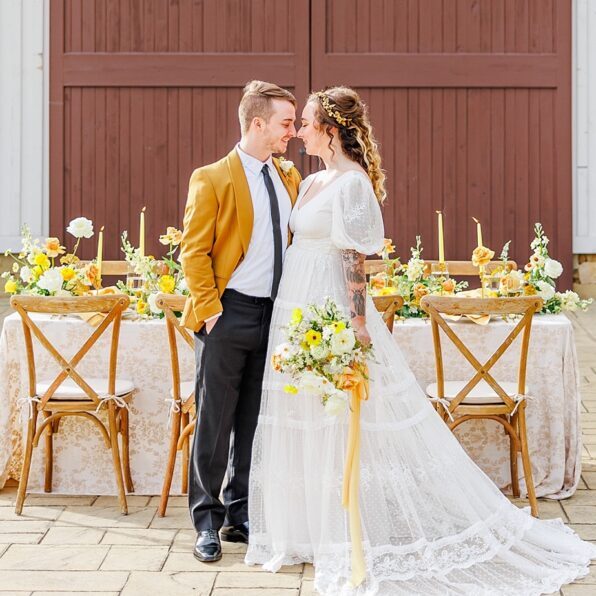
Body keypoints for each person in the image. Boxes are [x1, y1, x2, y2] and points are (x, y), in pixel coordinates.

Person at [245, 86, 596, 595]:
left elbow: (354, 259)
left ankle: (349, 527)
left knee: (344, 413)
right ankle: (309, 529)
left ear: (331, 129)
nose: (298, 129)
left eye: (307, 121)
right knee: (304, 412)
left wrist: (358, 321)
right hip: (296, 303)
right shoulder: (309, 181)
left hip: (333, 307)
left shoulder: (352, 183)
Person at [179, 80, 301, 563]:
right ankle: (205, 523)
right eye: (286, 123)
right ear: (258, 123)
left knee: (253, 422)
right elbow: (193, 252)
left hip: (274, 316)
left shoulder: (287, 177)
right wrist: (210, 313)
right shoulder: (211, 178)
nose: (293, 132)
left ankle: (239, 514)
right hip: (227, 314)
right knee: (214, 422)